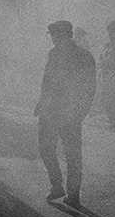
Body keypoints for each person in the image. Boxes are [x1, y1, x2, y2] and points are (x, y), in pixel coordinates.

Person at [35, 20, 96, 207]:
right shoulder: (57, 54)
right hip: (54, 112)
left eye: (54, 35)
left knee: (67, 154)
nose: (52, 39)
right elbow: (48, 82)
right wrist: (41, 102)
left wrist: (80, 112)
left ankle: (67, 191)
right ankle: (63, 189)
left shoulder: (82, 56)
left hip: (67, 113)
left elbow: (89, 88)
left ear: (62, 35)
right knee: (55, 151)